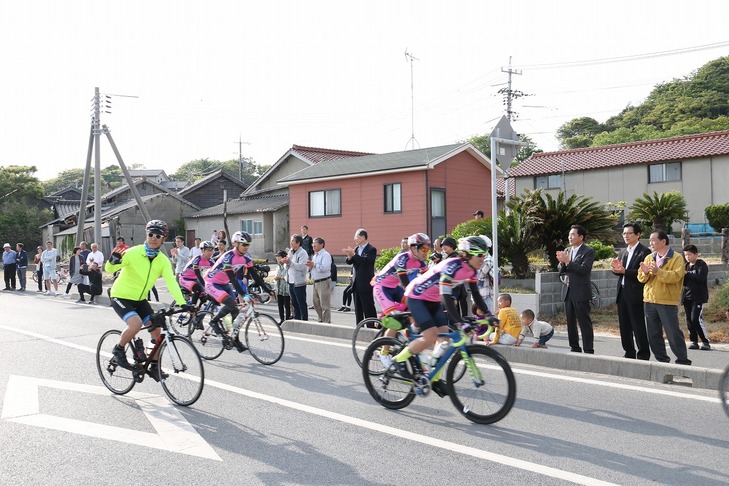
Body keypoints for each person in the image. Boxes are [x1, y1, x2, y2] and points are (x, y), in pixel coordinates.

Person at [389, 236, 495, 398]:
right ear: (468, 254)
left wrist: (489, 315)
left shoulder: (471, 270)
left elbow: (476, 294)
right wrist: (460, 322)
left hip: (433, 300)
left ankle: (435, 379)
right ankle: (399, 359)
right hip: (417, 297)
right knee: (430, 336)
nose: (483, 258)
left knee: (444, 341)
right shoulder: (451, 266)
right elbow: (446, 297)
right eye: (481, 255)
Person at [107, 220, 190, 377]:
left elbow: (171, 282)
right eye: (150, 234)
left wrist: (182, 303)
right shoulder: (132, 252)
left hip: (140, 300)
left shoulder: (163, 261)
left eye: (157, 236)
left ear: (163, 239)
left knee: (157, 331)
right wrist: (113, 260)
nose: (153, 238)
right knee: (136, 324)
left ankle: (153, 366)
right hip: (120, 296)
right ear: (146, 235)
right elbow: (110, 269)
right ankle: (119, 349)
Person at [637, 229, 690, 365]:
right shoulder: (649, 257)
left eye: (653, 240)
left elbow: (676, 277)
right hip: (649, 300)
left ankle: (683, 361)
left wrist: (657, 271)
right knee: (653, 334)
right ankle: (662, 361)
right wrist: (644, 272)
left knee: (673, 333)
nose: (651, 243)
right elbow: (641, 279)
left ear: (663, 241)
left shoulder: (677, 258)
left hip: (667, 301)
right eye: (650, 240)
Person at [203, 231, 255, 352]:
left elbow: (255, 275)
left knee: (235, 313)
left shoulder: (246, 257)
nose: (246, 247)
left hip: (224, 284)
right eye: (244, 244)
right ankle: (213, 321)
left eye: (248, 244)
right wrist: (244, 294)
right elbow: (233, 279)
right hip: (212, 283)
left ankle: (235, 340)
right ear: (236, 244)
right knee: (231, 303)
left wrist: (268, 289)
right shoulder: (228, 256)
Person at [611, 222, 651, 360]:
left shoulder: (644, 252)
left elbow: (642, 273)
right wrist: (616, 269)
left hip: (635, 293)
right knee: (624, 325)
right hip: (622, 292)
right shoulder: (622, 251)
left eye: (629, 233)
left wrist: (625, 271)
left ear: (638, 235)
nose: (626, 236)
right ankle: (629, 352)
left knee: (637, 325)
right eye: (624, 233)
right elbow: (620, 271)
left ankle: (643, 354)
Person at [556, 224, 595, 354]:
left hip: (581, 291)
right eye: (569, 235)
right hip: (568, 290)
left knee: (584, 321)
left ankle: (588, 349)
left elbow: (584, 269)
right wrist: (562, 263)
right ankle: (574, 348)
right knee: (570, 321)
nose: (570, 237)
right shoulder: (567, 250)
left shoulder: (588, 251)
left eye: (573, 235)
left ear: (581, 237)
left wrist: (568, 262)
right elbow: (561, 271)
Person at [372, 233, 430, 317]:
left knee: (414, 309)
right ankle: (385, 324)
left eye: (427, 250)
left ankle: (411, 329)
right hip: (381, 287)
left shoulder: (421, 262)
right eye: (424, 249)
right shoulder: (403, 258)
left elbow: (428, 279)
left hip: (394, 288)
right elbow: (404, 280)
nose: (426, 252)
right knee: (396, 319)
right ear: (413, 248)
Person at [344, 228, 377, 324]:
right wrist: (350, 256)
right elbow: (350, 262)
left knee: (368, 308)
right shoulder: (356, 249)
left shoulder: (371, 249)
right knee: (358, 310)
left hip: (366, 284)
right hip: (356, 284)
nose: (354, 239)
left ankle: (373, 330)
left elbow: (366, 261)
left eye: (356, 237)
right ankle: (359, 329)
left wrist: (354, 255)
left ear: (362, 237)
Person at [681, 244, 710, 350]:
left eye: (689, 254)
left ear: (696, 254)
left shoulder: (701, 265)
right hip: (687, 297)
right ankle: (694, 341)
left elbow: (701, 278)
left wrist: (687, 274)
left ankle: (705, 341)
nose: (687, 257)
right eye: (685, 255)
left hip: (698, 297)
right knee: (689, 320)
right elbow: (683, 282)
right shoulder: (685, 266)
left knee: (696, 319)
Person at [178, 240, 215, 307]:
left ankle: (198, 310)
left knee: (204, 296)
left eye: (212, 250)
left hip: (194, 279)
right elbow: (198, 275)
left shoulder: (211, 261)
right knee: (198, 290)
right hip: (185, 278)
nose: (210, 252)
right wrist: (206, 286)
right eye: (208, 250)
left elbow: (215, 273)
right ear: (203, 251)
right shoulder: (197, 259)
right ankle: (192, 308)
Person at [306, 237, 333, 323]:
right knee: (316, 303)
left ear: (321, 245)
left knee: (324, 304)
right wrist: (310, 267)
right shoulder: (315, 255)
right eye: (312, 243)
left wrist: (314, 265)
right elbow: (314, 267)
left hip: (324, 281)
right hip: (315, 282)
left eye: (315, 243)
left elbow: (324, 268)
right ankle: (321, 319)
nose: (313, 245)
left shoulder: (326, 255)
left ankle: (326, 322)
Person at [284, 234, 309, 320]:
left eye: (293, 241)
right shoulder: (290, 251)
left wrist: (290, 263)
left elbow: (302, 266)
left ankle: (304, 320)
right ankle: (296, 318)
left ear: (298, 243)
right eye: (291, 241)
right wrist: (286, 263)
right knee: (294, 302)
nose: (291, 243)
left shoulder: (303, 253)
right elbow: (287, 266)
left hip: (299, 282)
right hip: (290, 280)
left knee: (301, 302)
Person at [476, 235, 497, 313]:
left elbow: (480, 275)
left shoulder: (488, 260)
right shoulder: (479, 259)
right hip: (479, 294)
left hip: (485, 295)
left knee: (487, 320)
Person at [274, 250, 291, 324]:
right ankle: (281, 319)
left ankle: (287, 319)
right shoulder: (278, 267)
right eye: (277, 257)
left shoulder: (286, 265)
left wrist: (280, 277)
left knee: (287, 305)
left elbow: (288, 276)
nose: (277, 258)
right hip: (279, 288)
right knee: (280, 305)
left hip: (286, 288)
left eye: (279, 256)